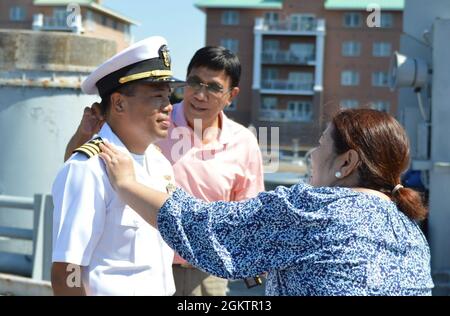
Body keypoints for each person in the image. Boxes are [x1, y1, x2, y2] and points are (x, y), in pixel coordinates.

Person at [98, 109, 434, 296]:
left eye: (320, 145)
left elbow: (206, 227)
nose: (312, 155)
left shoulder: (313, 209)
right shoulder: (410, 231)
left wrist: (128, 183)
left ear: (346, 163)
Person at [64, 46, 265, 296]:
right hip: (144, 265)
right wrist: (84, 134)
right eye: (194, 82)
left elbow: (249, 213)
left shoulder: (243, 142)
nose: (200, 95)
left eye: (213, 87)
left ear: (231, 95)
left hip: (205, 272)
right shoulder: (147, 122)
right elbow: (76, 170)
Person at [51, 36, 184, 295]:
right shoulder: (88, 168)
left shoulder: (160, 164)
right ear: (119, 102)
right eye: (157, 96)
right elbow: (66, 272)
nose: (168, 106)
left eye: (168, 96)